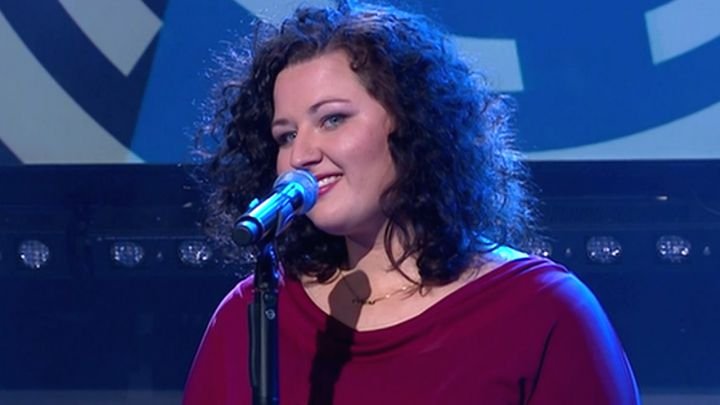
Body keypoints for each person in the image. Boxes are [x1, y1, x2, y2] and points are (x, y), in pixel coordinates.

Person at [183, 1, 640, 404]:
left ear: (411, 122)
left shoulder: (540, 309)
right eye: (285, 135)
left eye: (333, 119)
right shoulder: (251, 316)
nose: (301, 155)